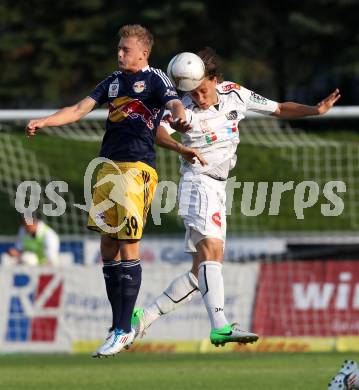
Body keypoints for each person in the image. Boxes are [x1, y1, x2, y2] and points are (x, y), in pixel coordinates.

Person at [131, 48, 341, 347]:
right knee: (213, 253)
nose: (199, 98)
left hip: (218, 187)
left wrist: (315, 110)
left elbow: (279, 108)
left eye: (202, 90)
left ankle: (145, 317)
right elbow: (159, 133)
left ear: (214, 79)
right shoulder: (180, 106)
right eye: (192, 92)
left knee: (198, 272)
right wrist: (180, 147)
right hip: (197, 183)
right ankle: (220, 326)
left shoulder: (235, 94)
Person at [25, 24, 202, 357]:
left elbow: (174, 104)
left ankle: (124, 328)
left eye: (125, 49)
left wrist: (180, 119)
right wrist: (44, 121)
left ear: (143, 53)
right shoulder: (112, 81)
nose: (119, 54)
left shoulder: (155, 79)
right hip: (107, 167)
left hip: (136, 169)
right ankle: (116, 325)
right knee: (107, 248)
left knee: (128, 245)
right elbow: (78, 109)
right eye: (119, 48)